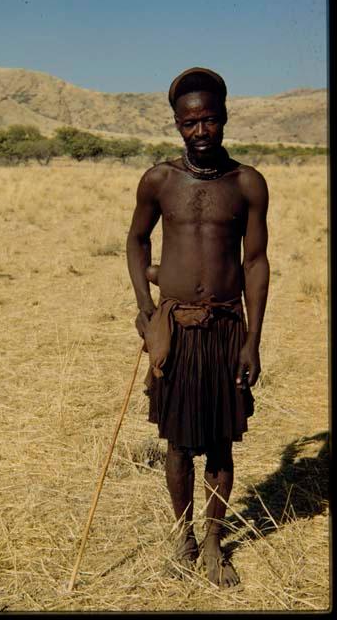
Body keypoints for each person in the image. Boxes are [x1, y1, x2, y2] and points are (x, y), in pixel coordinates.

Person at [126, 67, 269, 588]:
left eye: (210, 119)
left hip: (228, 327)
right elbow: (136, 240)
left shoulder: (248, 183)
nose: (201, 131)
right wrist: (146, 309)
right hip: (178, 329)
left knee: (222, 442)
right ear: (176, 125)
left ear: (225, 117)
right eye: (190, 123)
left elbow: (255, 262)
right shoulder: (160, 180)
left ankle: (214, 539)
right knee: (180, 443)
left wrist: (253, 339)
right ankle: (182, 534)